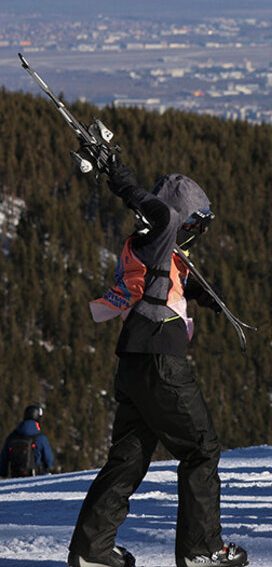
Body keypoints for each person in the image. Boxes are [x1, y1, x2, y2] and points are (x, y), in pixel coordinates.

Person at [69, 162, 247, 567]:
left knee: (129, 457)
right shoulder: (161, 230)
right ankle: (201, 551)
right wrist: (124, 183)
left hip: (136, 361)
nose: (195, 232)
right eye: (193, 224)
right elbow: (164, 215)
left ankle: (91, 550)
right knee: (201, 449)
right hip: (160, 361)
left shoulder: (155, 246)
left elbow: (159, 279)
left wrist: (198, 291)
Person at [2, 404, 55, 477]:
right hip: (35, 476)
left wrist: (3, 473)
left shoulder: (12, 437)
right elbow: (49, 460)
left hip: (15, 475)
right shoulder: (40, 438)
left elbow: (3, 459)